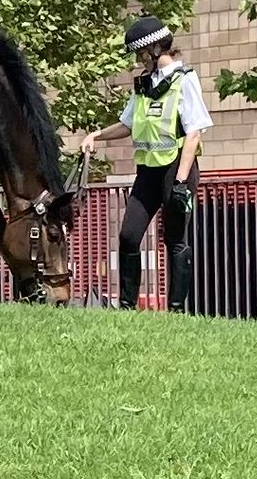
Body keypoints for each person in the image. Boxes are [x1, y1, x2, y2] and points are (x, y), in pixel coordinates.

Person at [81, 16, 213, 313]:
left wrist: (180, 182)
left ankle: (176, 310)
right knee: (129, 235)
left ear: (155, 49)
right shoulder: (144, 85)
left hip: (177, 169)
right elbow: (127, 124)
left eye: (141, 54)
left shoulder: (184, 80)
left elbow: (194, 132)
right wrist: (97, 136)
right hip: (148, 171)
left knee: (175, 238)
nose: (138, 60)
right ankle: (127, 307)